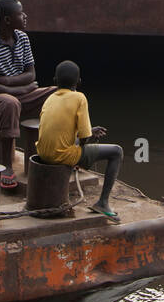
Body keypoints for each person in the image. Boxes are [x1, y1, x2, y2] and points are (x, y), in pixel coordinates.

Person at [0, 0, 56, 190]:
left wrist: (6, 81)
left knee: (59, 94)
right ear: (8, 20)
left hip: (15, 94)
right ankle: (6, 166)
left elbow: (31, 74)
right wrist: (24, 88)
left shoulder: (23, 39)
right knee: (10, 103)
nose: (25, 16)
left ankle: (58, 151)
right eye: (20, 13)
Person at [37, 61, 123, 223]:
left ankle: (102, 202)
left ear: (55, 80)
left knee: (77, 147)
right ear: (79, 82)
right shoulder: (79, 97)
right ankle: (103, 203)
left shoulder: (49, 98)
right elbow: (83, 139)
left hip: (42, 153)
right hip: (61, 156)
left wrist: (89, 132)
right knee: (116, 151)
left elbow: (63, 130)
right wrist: (85, 142)